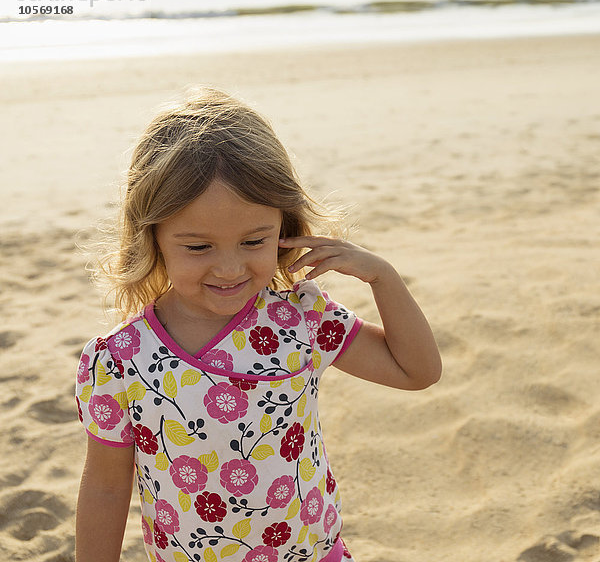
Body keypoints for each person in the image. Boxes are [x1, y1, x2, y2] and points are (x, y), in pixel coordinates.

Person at [74, 86, 442, 562]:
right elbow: (105, 490)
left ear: (283, 227)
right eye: (199, 247)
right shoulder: (120, 360)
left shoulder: (302, 318)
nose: (229, 268)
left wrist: (382, 278)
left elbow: (417, 372)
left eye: (253, 241)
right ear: (153, 239)